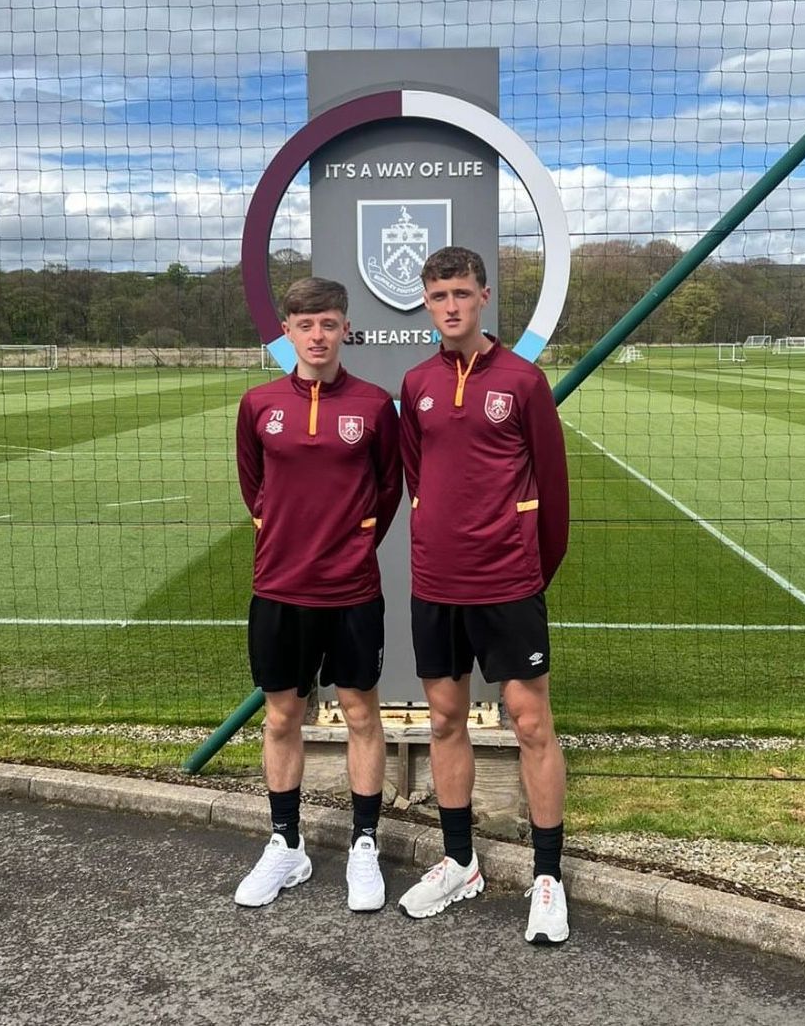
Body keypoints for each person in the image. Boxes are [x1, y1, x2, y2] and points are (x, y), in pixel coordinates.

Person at [397, 247, 570, 943]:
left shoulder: (523, 381)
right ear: (427, 301)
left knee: (530, 723)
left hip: (507, 583)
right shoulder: (415, 383)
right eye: (439, 295)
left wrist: (529, 570)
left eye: (462, 293)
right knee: (443, 719)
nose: (451, 306)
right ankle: (460, 861)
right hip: (437, 583)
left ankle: (549, 877)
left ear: (484, 296)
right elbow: (417, 471)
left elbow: (553, 495)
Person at [234, 277, 402, 913]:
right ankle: (286, 844)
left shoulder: (373, 405)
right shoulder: (258, 403)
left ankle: (364, 844)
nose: (318, 336)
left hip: (353, 589)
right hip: (279, 586)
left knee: (361, 713)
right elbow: (254, 485)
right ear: (288, 331)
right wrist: (288, 534)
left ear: (344, 328)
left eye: (329, 324)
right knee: (282, 715)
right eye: (306, 325)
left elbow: (387, 491)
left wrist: (353, 542)